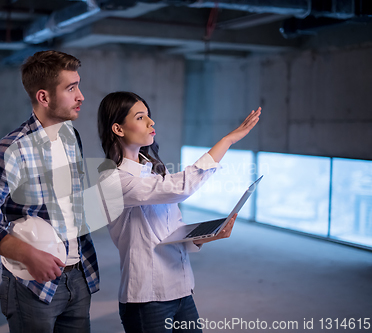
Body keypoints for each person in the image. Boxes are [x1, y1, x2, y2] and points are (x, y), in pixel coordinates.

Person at [96, 91, 261, 333]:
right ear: (118, 129)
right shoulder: (112, 179)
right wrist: (227, 141)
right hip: (147, 297)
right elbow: (181, 188)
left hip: (182, 289)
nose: (151, 122)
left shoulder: (151, 173)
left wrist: (205, 236)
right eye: (141, 117)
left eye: (149, 116)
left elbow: (170, 232)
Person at [0, 50, 99, 333]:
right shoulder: (12, 150)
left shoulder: (71, 136)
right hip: (32, 286)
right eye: (71, 88)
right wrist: (26, 254)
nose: (81, 96)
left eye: (79, 85)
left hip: (79, 275)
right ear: (44, 97)